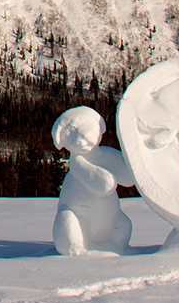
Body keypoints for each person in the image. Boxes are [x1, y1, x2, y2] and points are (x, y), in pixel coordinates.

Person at [51, 106, 134, 255]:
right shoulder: (78, 163)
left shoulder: (105, 155)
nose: (81, 139)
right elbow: (104, 186)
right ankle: (75, 248)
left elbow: (128, 178)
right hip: (80, 219)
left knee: (123, 224)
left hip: (110, 221)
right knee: (68, 219)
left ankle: (116, 246)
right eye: (70, 132)